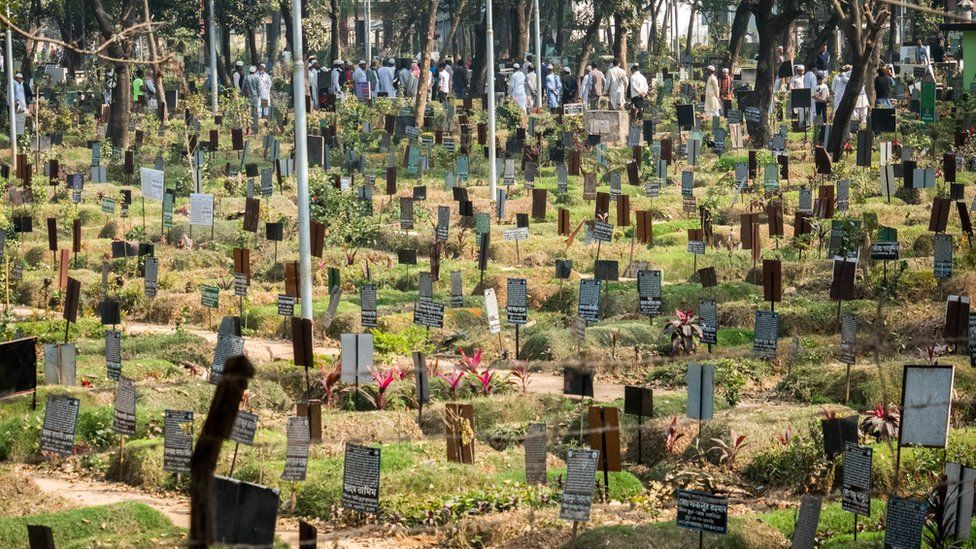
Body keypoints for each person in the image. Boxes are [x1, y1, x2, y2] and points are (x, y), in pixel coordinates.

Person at [242, 65, 261, 133]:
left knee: (247, 112)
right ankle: (255, 128)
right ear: (255, 71)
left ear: (249, 71)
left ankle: (247, 129)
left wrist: (242, 94)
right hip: (255, 96)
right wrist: (258, 95)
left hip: (248, 96)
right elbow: (259, 88)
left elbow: (243, 87)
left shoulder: (246, 77)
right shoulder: (257, 77)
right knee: (255, 112)